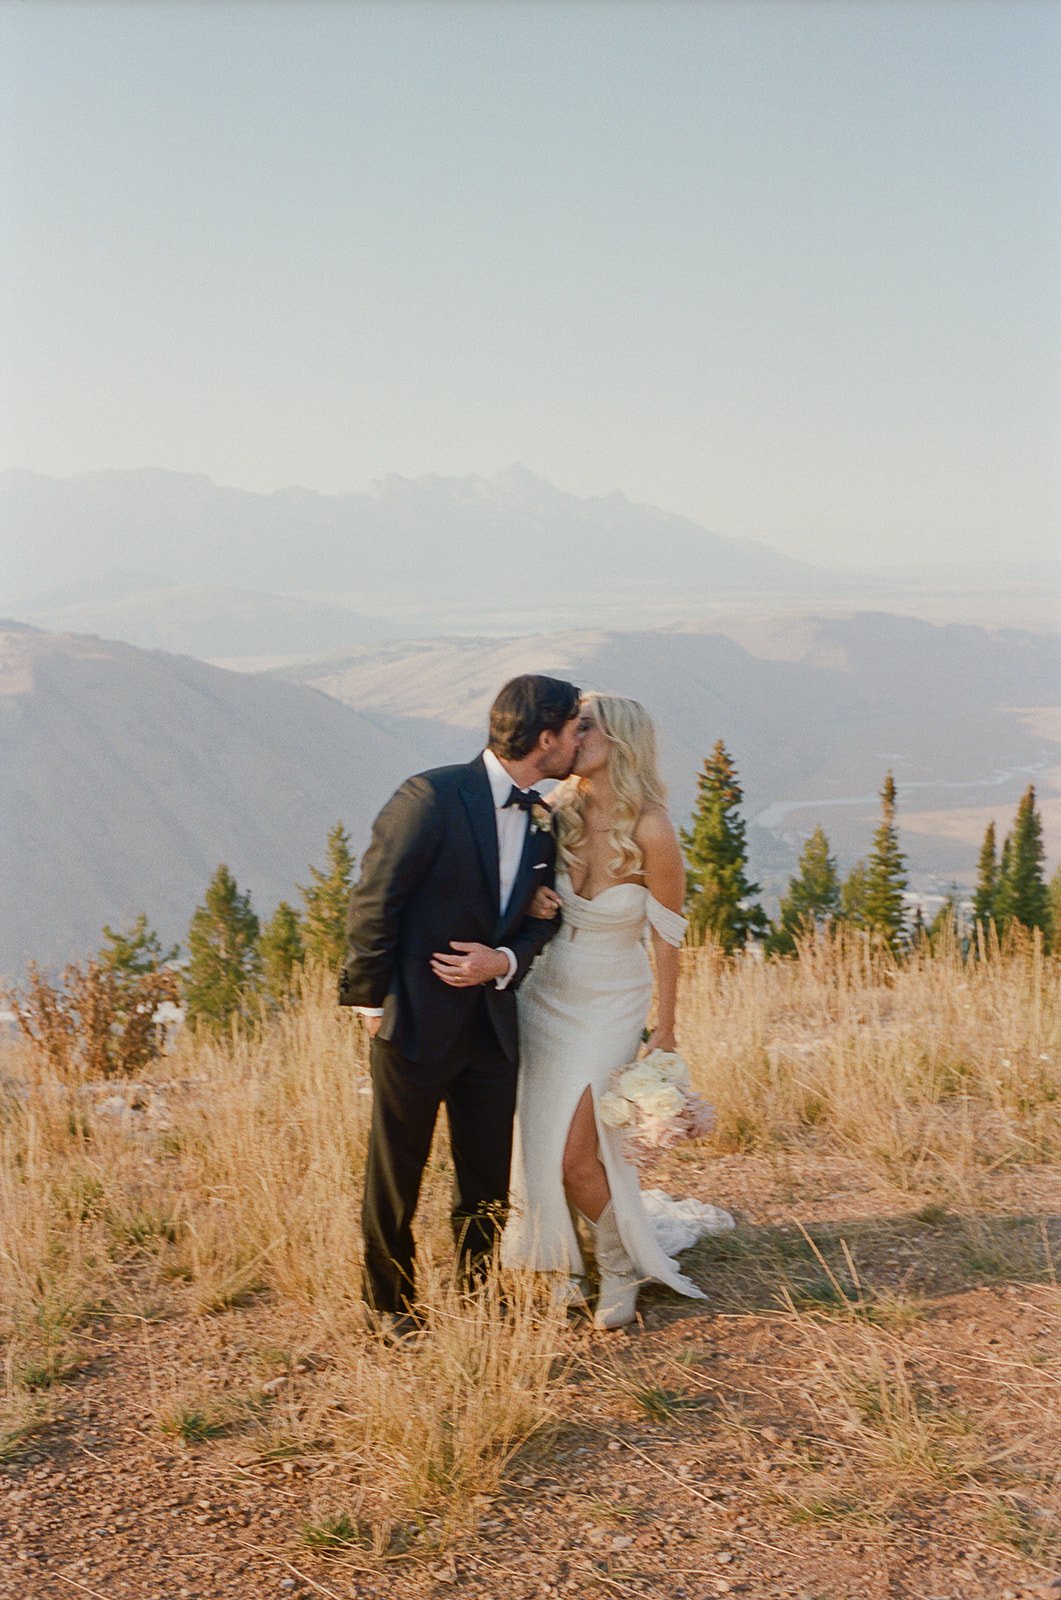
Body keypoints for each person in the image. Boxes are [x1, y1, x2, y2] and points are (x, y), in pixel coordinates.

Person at [340, 673, 582, 1339]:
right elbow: (373, 902)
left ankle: (477, 1295)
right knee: (397, 1172)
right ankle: (391, 1304)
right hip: (414, 1021)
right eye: (573, 730)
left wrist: (502, 961)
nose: (578, 743)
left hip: (492, 1027)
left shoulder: (542, 817)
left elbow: (542, 916)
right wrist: (369, 1001)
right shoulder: (430, 797)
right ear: (544, 737)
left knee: (484, 1176)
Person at [501, 692, 734, 1329]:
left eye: (584, 726)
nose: (570, 734)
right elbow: (519, 889)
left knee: (580, 1153)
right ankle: (564, 1267)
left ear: (619, 739)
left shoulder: (652, 828)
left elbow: (668, 931)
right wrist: (537, 904)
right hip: (545, 992)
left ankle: (621, 1267)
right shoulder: (559, 810)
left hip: (611, 1001)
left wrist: (667, 1025)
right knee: (538, 1142)